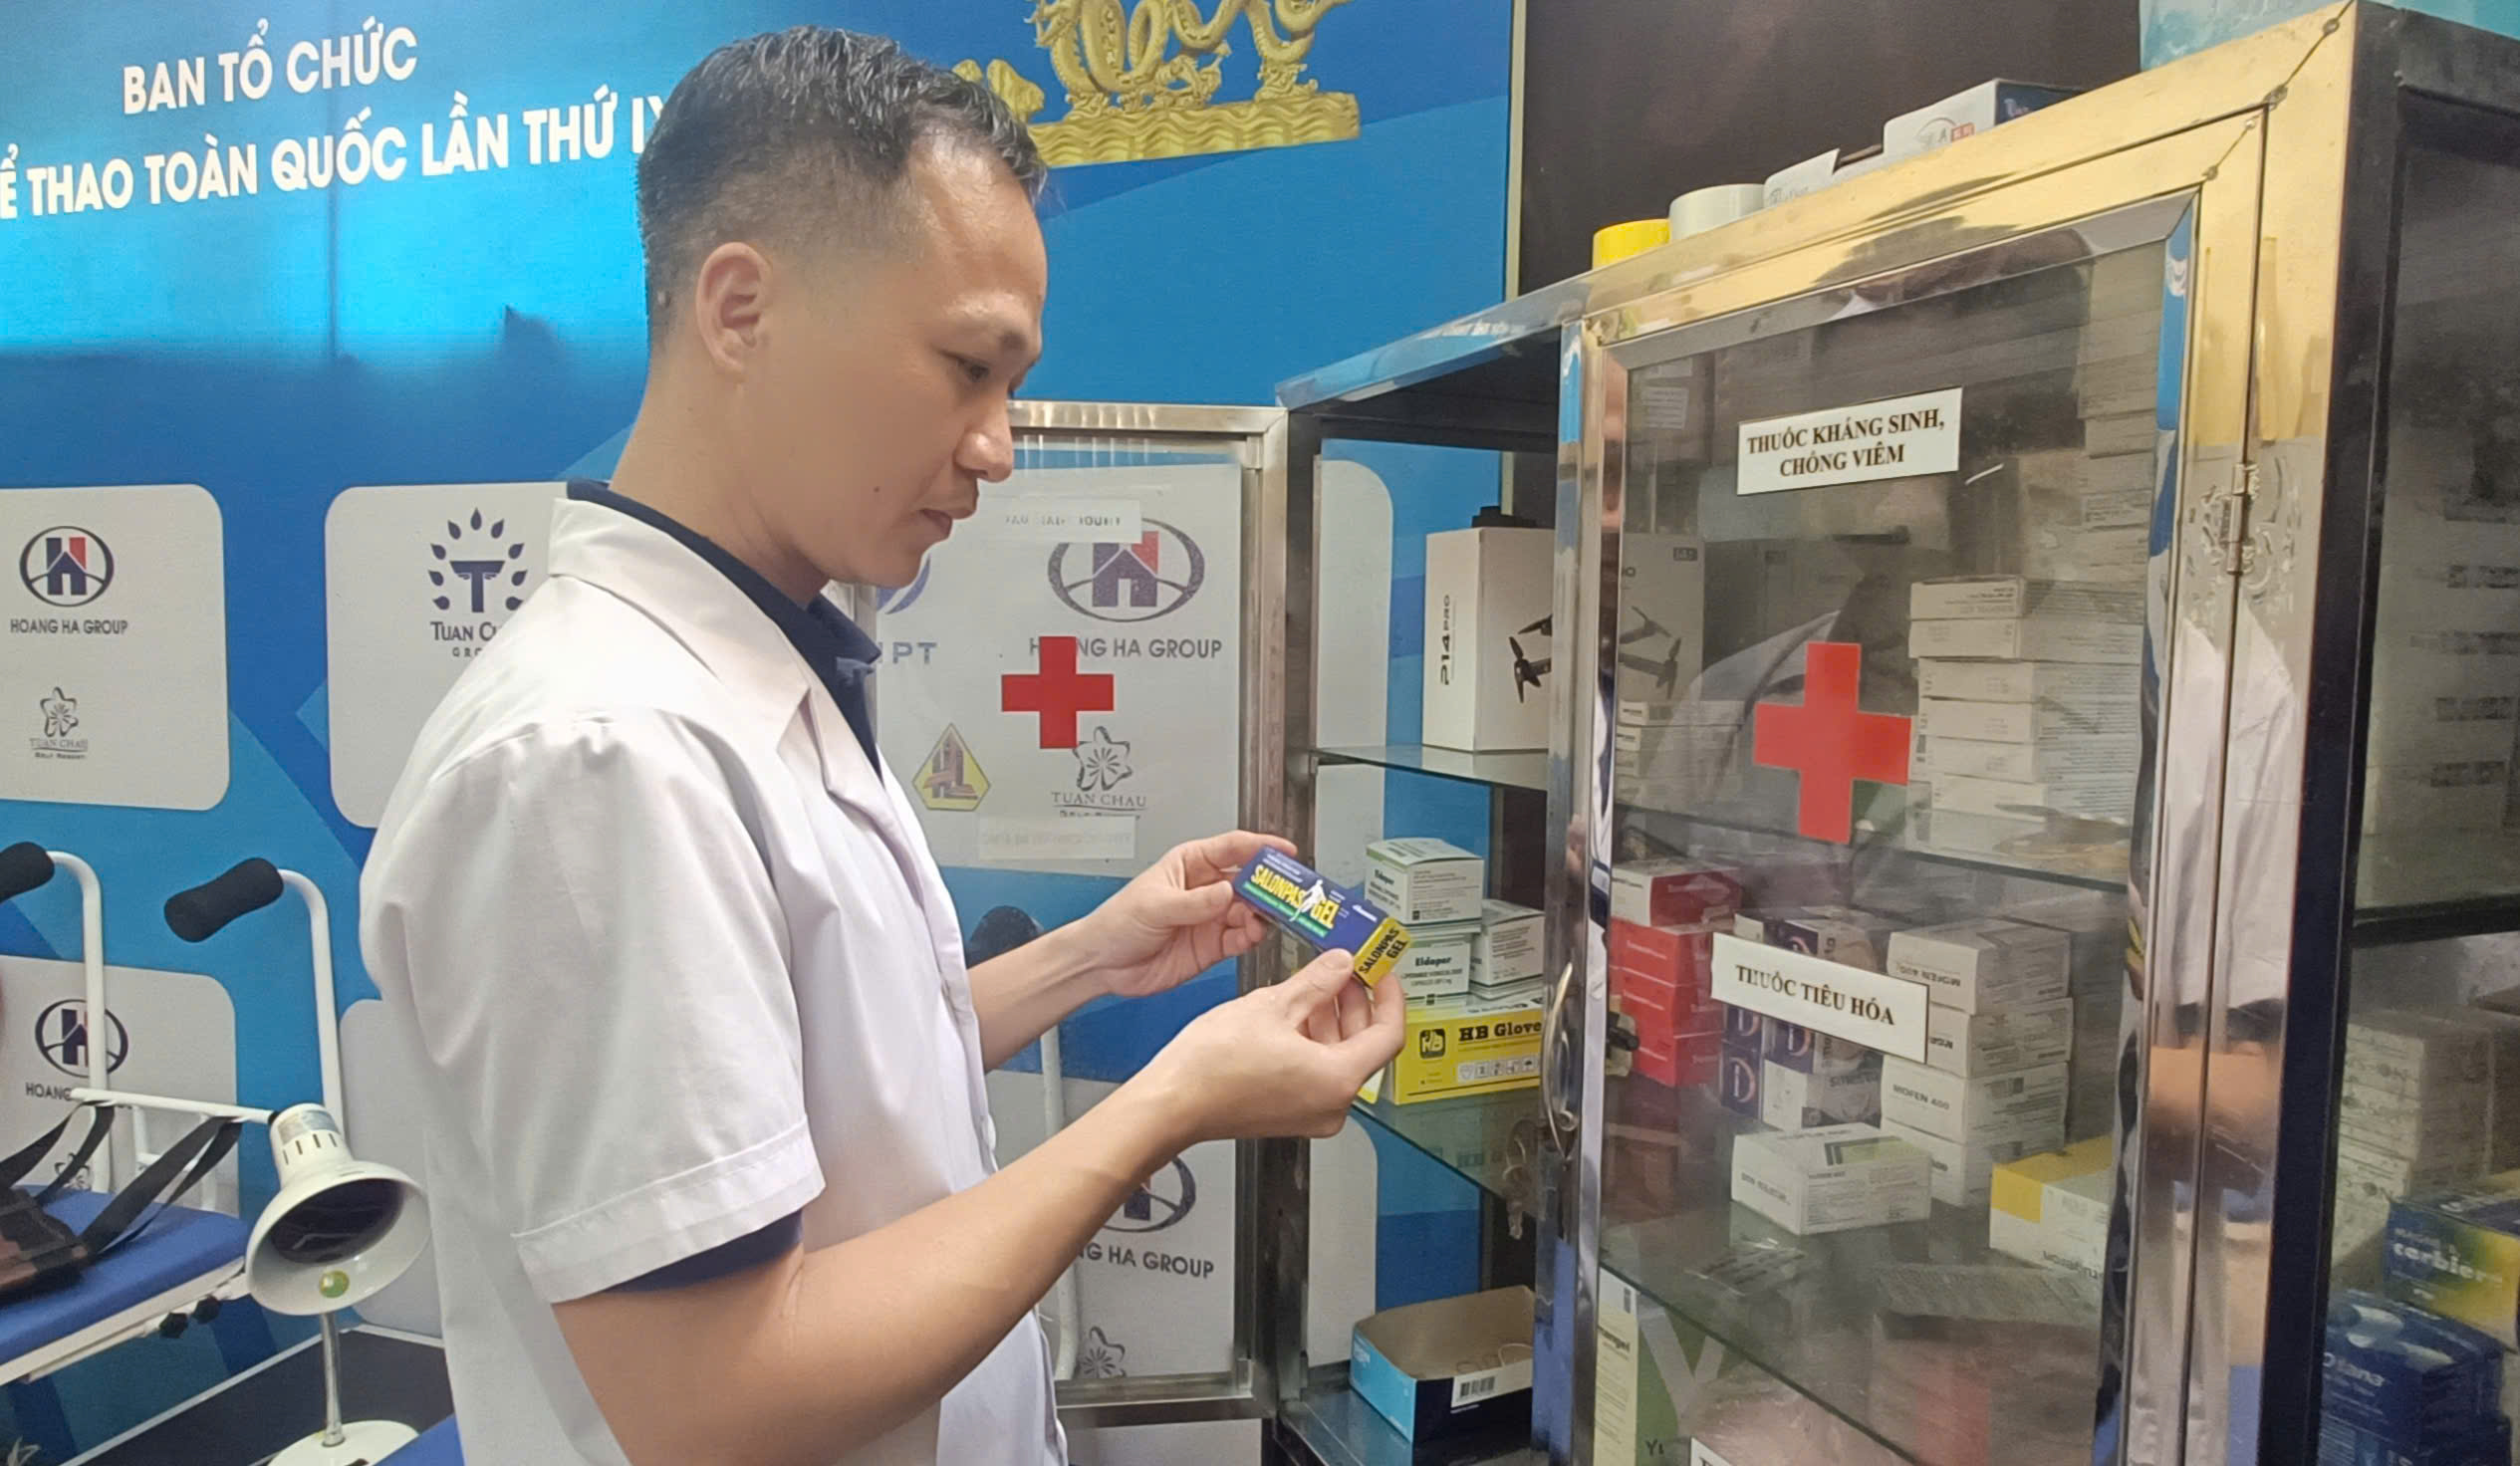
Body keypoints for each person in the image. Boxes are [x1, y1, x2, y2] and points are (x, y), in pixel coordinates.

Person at [359, 27, 1404, 1466]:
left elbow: (822, 1083)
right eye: (967, 368)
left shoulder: (754, 670)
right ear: (741, 309)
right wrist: (1169, 1105)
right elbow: (721, 1397)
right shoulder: (596, 758)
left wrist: (1092, 957)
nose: (998, 447)